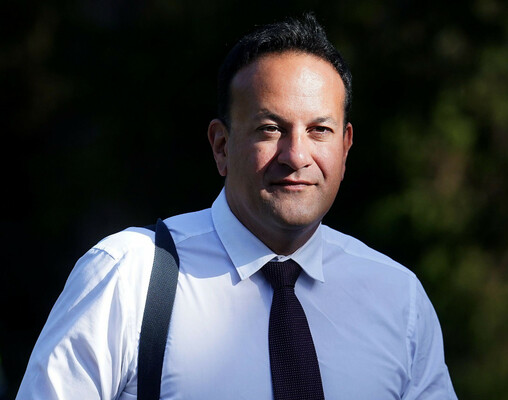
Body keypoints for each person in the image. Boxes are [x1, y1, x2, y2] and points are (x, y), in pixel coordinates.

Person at [17, 13, 458, 399]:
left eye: (319, 130)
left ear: (345, 147)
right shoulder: (132, 276)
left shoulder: (398, 299)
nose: (296, 155)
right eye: (270, 129)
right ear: (221, 146)